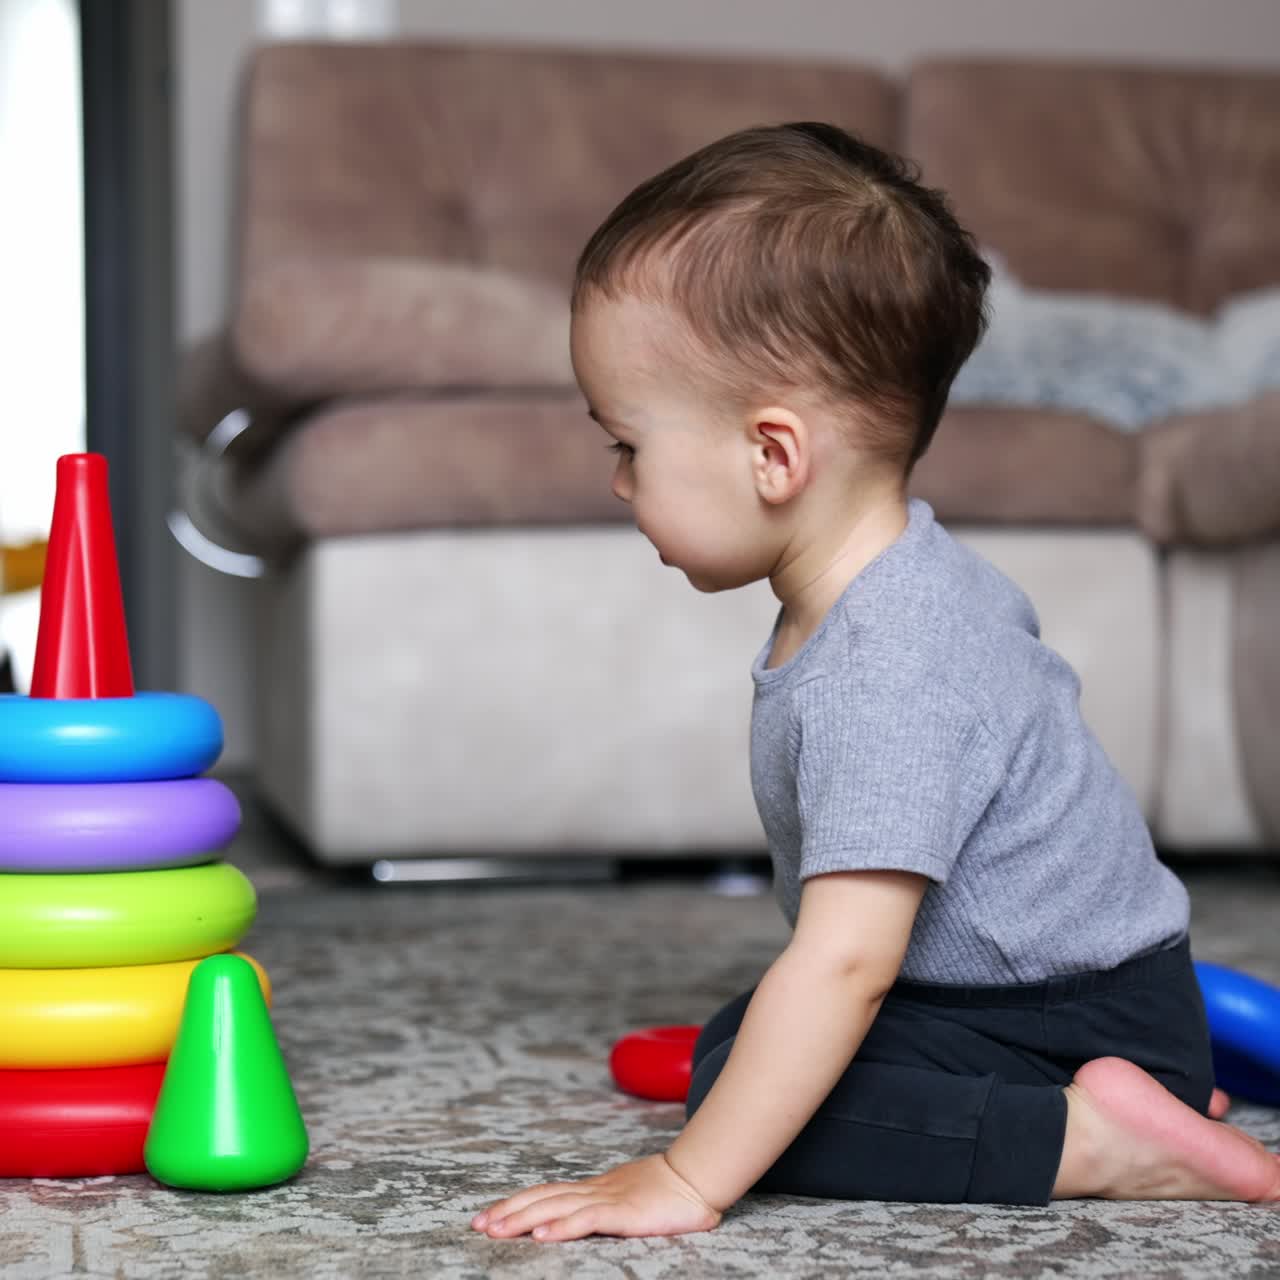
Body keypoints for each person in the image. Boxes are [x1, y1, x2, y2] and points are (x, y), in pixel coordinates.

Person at [471, 122, 1280, 1243]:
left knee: (755, 1103)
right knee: (743, 1045)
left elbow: (849, 958)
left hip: (1064, 1020)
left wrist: (688, 1180)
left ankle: (1099, 1138)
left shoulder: (887, 662)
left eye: (627, 446)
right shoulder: (897, 581)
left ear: (773, 455)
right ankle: (1132, 1096)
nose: (616, 482)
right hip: (1063, 1000)